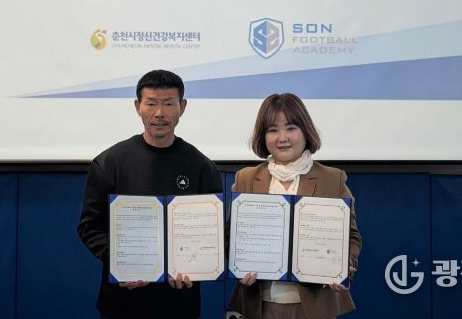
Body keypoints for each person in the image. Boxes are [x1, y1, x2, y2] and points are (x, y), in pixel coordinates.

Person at [77, 69, 223, 319]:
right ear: (138, 106)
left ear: (182, 107)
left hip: (179, 302)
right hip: (122, 301)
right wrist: (120, 263)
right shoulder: (110, 162)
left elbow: (211, 235)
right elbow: (89, 226)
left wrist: (195, 265)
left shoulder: (202, 167)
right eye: (151, 103)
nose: (159, 113)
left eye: (168, 103)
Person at [229, 93, 362, 319]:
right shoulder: (246, 179)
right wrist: (238, 265)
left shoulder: (332, 179)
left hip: (314, 305)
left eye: (291, 128)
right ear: (263, 136)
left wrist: (341, 267)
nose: (282, 138)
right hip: (260, 304)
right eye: (273, 130)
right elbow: (231, 236)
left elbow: (351, 236)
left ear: (305, 131)